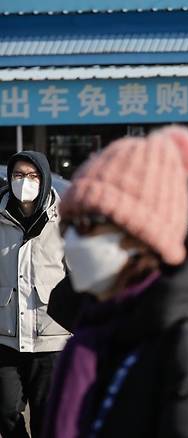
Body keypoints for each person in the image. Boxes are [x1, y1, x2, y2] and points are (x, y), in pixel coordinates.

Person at [43, 126, 188, 437]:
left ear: (141, 236)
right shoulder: (93, 334)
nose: (71, 239)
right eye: (68, 225)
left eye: (88, 225)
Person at [0, 151, 69, 438]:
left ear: (44, 179)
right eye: (18, 175)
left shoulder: (66, 221)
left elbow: (82, 277)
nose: (24, 182)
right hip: (5, 337)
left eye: (32, 176)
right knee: (5, 413)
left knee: (47, 419)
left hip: (51, 339)